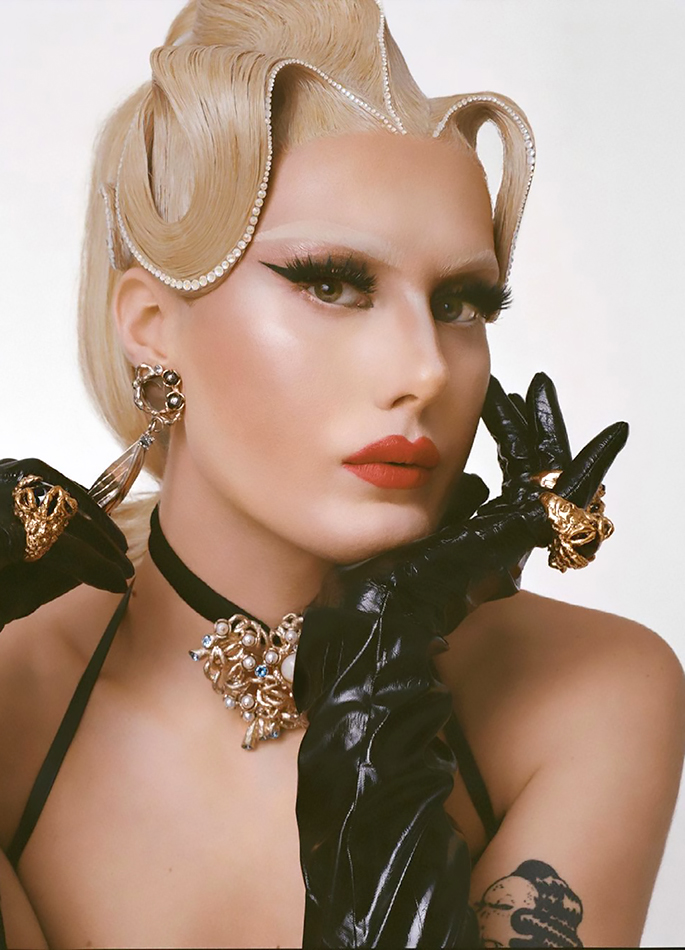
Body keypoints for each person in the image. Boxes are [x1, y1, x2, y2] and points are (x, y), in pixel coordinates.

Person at [0, 1, 683, 947]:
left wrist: (378, 667)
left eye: (460, 302)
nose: (424, 371)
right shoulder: (14, 698)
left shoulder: (590, 692)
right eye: (331, 283)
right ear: (151, 327)